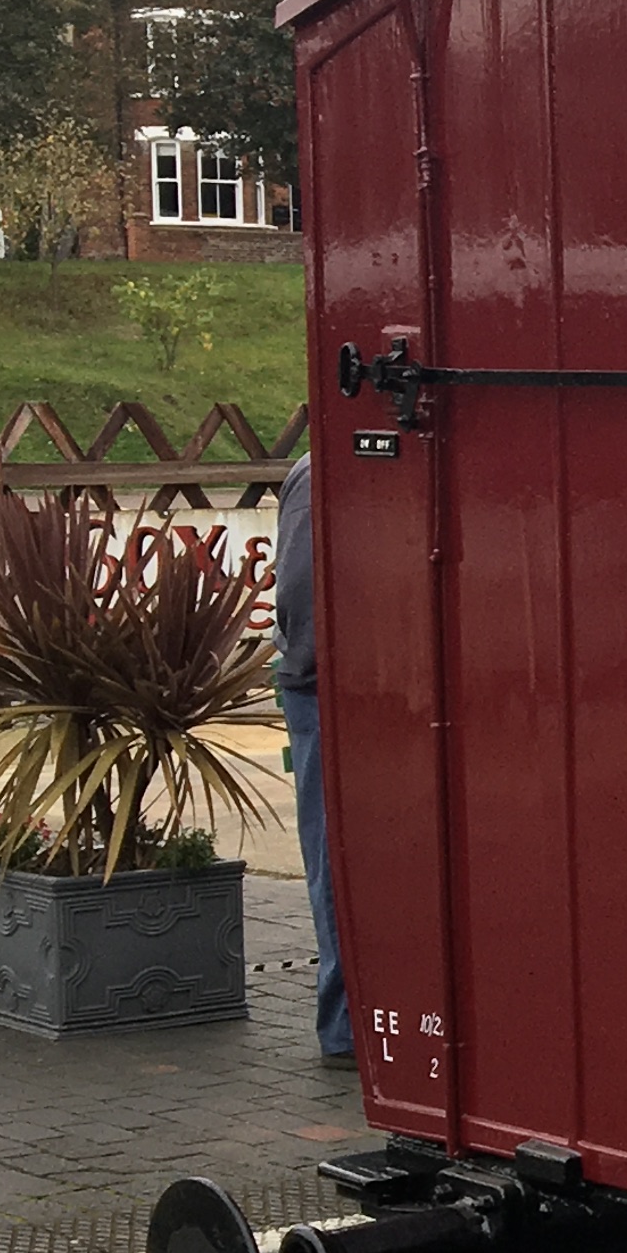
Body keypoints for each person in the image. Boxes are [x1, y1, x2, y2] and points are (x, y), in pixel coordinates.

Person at [274, 449, 352, 1061]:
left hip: (335, 682)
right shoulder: (319, 470)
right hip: (327, 688)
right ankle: (344, 1025)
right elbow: (300, 589)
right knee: (335, 853)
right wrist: (316, 671)